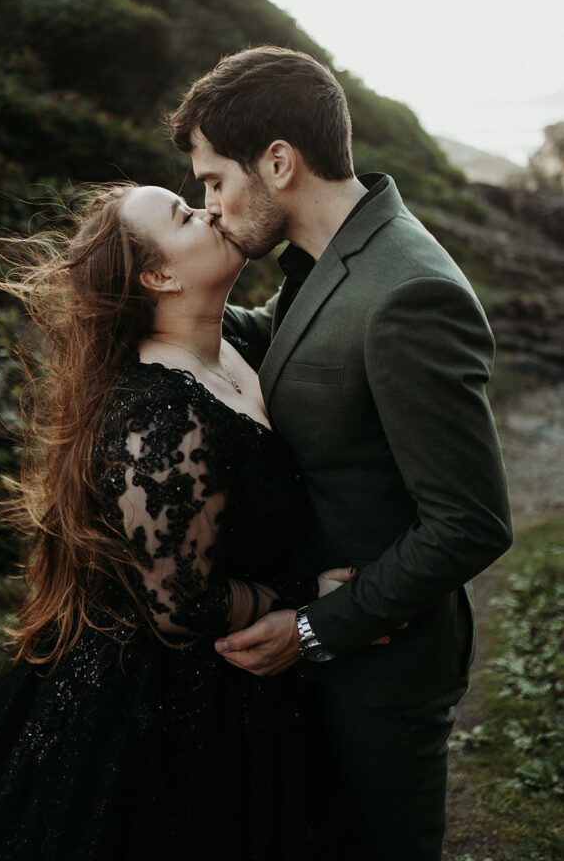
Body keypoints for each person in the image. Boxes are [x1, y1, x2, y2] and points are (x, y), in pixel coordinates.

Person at [0, 181, 355, 861]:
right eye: (184, 215)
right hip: (167, 714)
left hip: (243, 694)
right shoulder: (161, 414)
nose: (207, 210)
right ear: (158, 275)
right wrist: (308, 598)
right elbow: (179, 605)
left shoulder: (231, 350)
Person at [166, 45, 513, 861]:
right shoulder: (336, 252)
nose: (208, 206)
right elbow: (291, 345)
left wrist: (316, 629)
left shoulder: (409, 292)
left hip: (377, 674)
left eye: (215, 179)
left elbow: (469, 522)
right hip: (303, 650)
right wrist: (152, 327)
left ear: (278, 162)